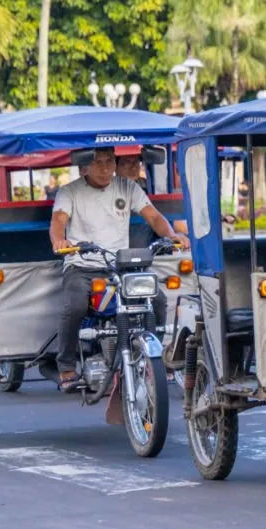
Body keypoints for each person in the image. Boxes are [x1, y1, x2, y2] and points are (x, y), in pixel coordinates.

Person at [49, 148, 188, 392]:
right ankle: (67, 367)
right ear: (85, 167)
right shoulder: (69, 192)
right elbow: (58, 220)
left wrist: (171, 234)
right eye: (98, 163)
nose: (104, 168)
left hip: (119, 266)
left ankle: (153, 358)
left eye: (109, 162)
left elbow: (153, 217)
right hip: (82, 266)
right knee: (76, 306)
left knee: (156, 299)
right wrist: (60, 241)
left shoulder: (127, 187)